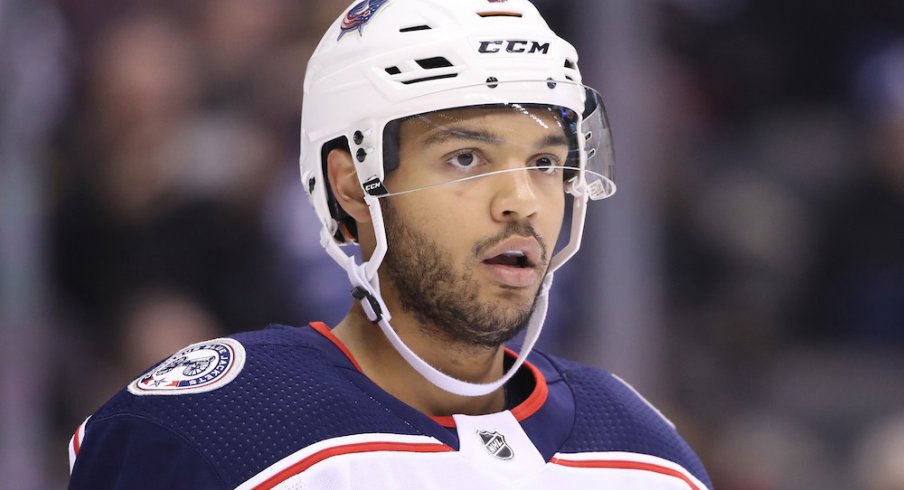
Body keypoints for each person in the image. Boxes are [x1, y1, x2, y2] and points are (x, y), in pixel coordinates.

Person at [67, 0, 711, 488]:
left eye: (545, 163)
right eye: (467, 158)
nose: (521, 200)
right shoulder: (213, 432)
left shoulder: (643, 453)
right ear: (351, 185)